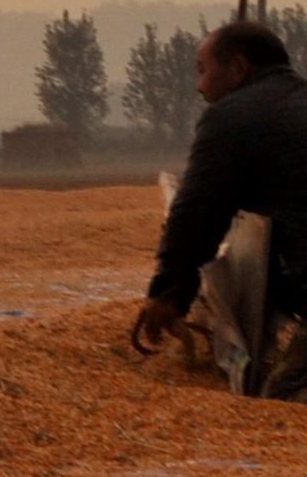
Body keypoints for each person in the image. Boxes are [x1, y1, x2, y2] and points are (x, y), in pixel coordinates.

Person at [131, 19, 307, 395]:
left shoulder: (231, 117)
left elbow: (198, 211)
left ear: (239, 68)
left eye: (203, 70)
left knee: (284, 398)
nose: (199, 86)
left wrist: (170, 292)